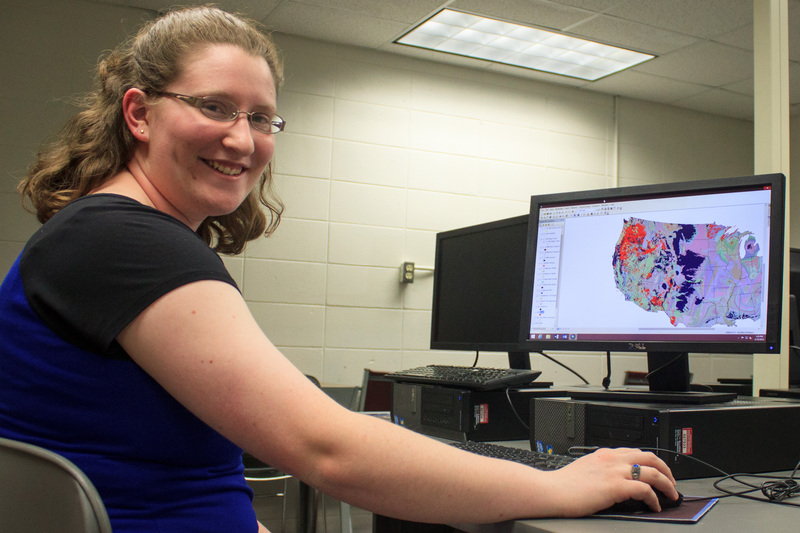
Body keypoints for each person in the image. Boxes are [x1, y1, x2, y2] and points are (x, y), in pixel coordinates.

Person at [0, 5, 679, 532]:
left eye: (263, 117)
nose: (243, 138)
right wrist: (558, 483)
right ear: (140, 114)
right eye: (214, 106)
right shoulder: (125, 241)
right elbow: (327, 448)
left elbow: (162, 467)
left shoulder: (100, 233)